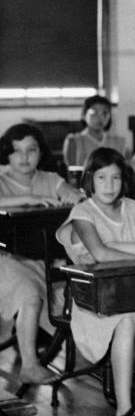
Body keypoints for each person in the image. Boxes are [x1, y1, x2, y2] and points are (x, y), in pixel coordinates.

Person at [55, 147, 135, 416]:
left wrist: (116, 244)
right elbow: (99, 255)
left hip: (134, 290)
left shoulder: (133, 208)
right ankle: (125, 408)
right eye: (101, 178)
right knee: (126, 319)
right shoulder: (83, 212)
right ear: (89, 179)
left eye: (115, 178)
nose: (109, 185)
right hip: (91, 300)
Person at [0, 124, 83, 384]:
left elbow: (76, 195)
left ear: (40, 152)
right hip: (7, 261)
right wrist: (29, 199)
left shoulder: (50, 179)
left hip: (48, 259)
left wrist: (72, 196)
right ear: (6, 155)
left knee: (79, 294)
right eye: (16, 152)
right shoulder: (1, 181)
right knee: (30, 295)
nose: (24, 158)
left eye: (31, 150)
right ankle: (29, 364)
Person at [62, 95, 129, 167]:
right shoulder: (74, 141)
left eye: (105, 113)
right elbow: (72, 172)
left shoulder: (119, 142)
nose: (100, 117)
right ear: (84, 115)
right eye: (93, 112)